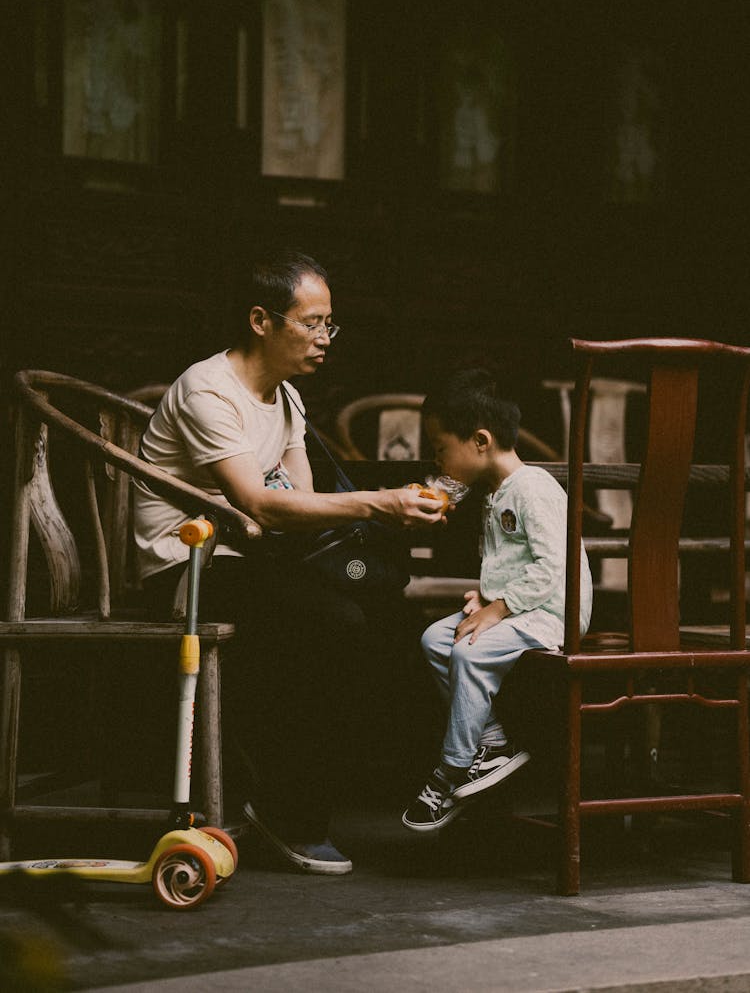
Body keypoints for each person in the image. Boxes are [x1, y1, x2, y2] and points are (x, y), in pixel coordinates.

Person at [133, 250, 445, 874]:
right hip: (186, 568)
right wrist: (377, 503)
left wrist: (379, 520)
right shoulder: (209, 390)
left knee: (389, 609)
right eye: (311, 323)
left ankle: (398, 784)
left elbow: (302, 506)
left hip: (250, 558)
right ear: (261, 321)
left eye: (330, 324)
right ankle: (286, 809)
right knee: (333, 621)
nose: (325, 338)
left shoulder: (288, 399)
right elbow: (260, 506)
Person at [402, 368, 593, 832]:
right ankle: (491, 745)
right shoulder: (494, 492)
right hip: (521, 606)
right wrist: (485, 596)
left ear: (480, 441)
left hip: (555, 611)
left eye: (441, 447)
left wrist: (498, 608)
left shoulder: (532, 488)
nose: (437, 459)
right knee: (435, 638)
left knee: (470, 649)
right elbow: (514, 563)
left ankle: (451, 768)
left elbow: (552, 568)